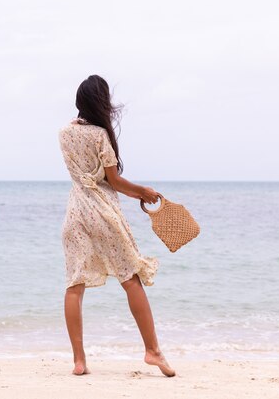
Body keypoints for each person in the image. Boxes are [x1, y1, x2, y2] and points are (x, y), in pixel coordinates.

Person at [57, 74, 175, 377]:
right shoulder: (99, 135)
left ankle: (79, 361)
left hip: (75, 212)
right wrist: (144, 192)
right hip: (102, 211)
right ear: (101, 102)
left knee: (75, 284)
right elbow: (114, 181)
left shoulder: (64, 133)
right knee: (130, 275)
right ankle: (152, 351)